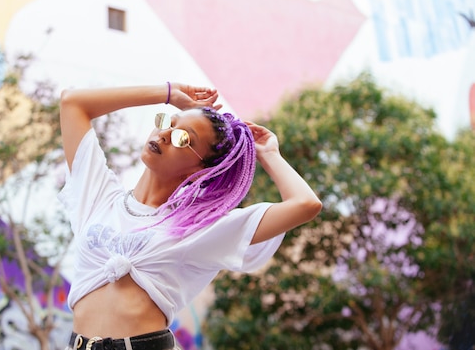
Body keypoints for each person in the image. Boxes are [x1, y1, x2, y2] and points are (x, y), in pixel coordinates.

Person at [58, 82, 322, 350]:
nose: (164, 135)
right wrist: (169, 94)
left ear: (198, 170)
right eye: (167, 123)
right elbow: (72, 103)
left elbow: (305, 204)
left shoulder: (199, 227)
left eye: (183, 139)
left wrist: (269, 154)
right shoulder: (99, 196)